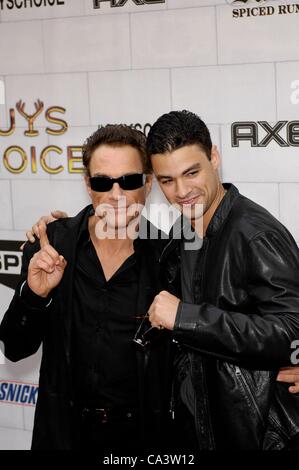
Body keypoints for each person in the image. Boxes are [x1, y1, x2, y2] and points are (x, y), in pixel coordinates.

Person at [0, 124, 172, 452]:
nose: (116, 195)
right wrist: (35, 295)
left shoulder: (170, 258)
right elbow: (15, 347)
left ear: (148, 184)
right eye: (103, 182)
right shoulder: (52, 244)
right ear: (87, 185)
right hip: (62, 435)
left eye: (130, 180)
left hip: (141, 443)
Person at [145, 110, 299, 450]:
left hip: (256, 433)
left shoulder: (255, 234)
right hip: (204, 423)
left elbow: (292, 331)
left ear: (214, 157)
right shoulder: (184, 229)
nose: (181, 191)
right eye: (167, 181)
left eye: (192, 172)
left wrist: (185, 318)